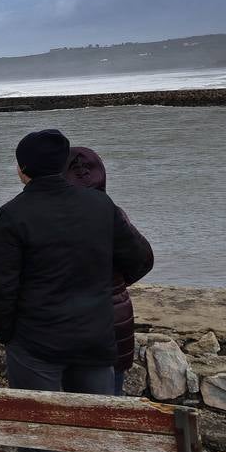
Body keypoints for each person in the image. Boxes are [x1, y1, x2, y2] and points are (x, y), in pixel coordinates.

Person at [0, 129, 152, 452]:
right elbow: (137, 258)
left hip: (37, 344)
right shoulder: (100, 204)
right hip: (95, 339)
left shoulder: (13, 214)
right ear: (63, 164)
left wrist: (10, 335)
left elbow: (1, 288)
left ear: (22, 170)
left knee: (37, 431)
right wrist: (98, 291)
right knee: (99, 432)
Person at [64, 146, 155, 395]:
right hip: (114, 320)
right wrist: (116, 283)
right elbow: (143, 260)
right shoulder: (112, 212)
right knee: (110, 399)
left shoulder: (54, 217)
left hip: (70, 327)